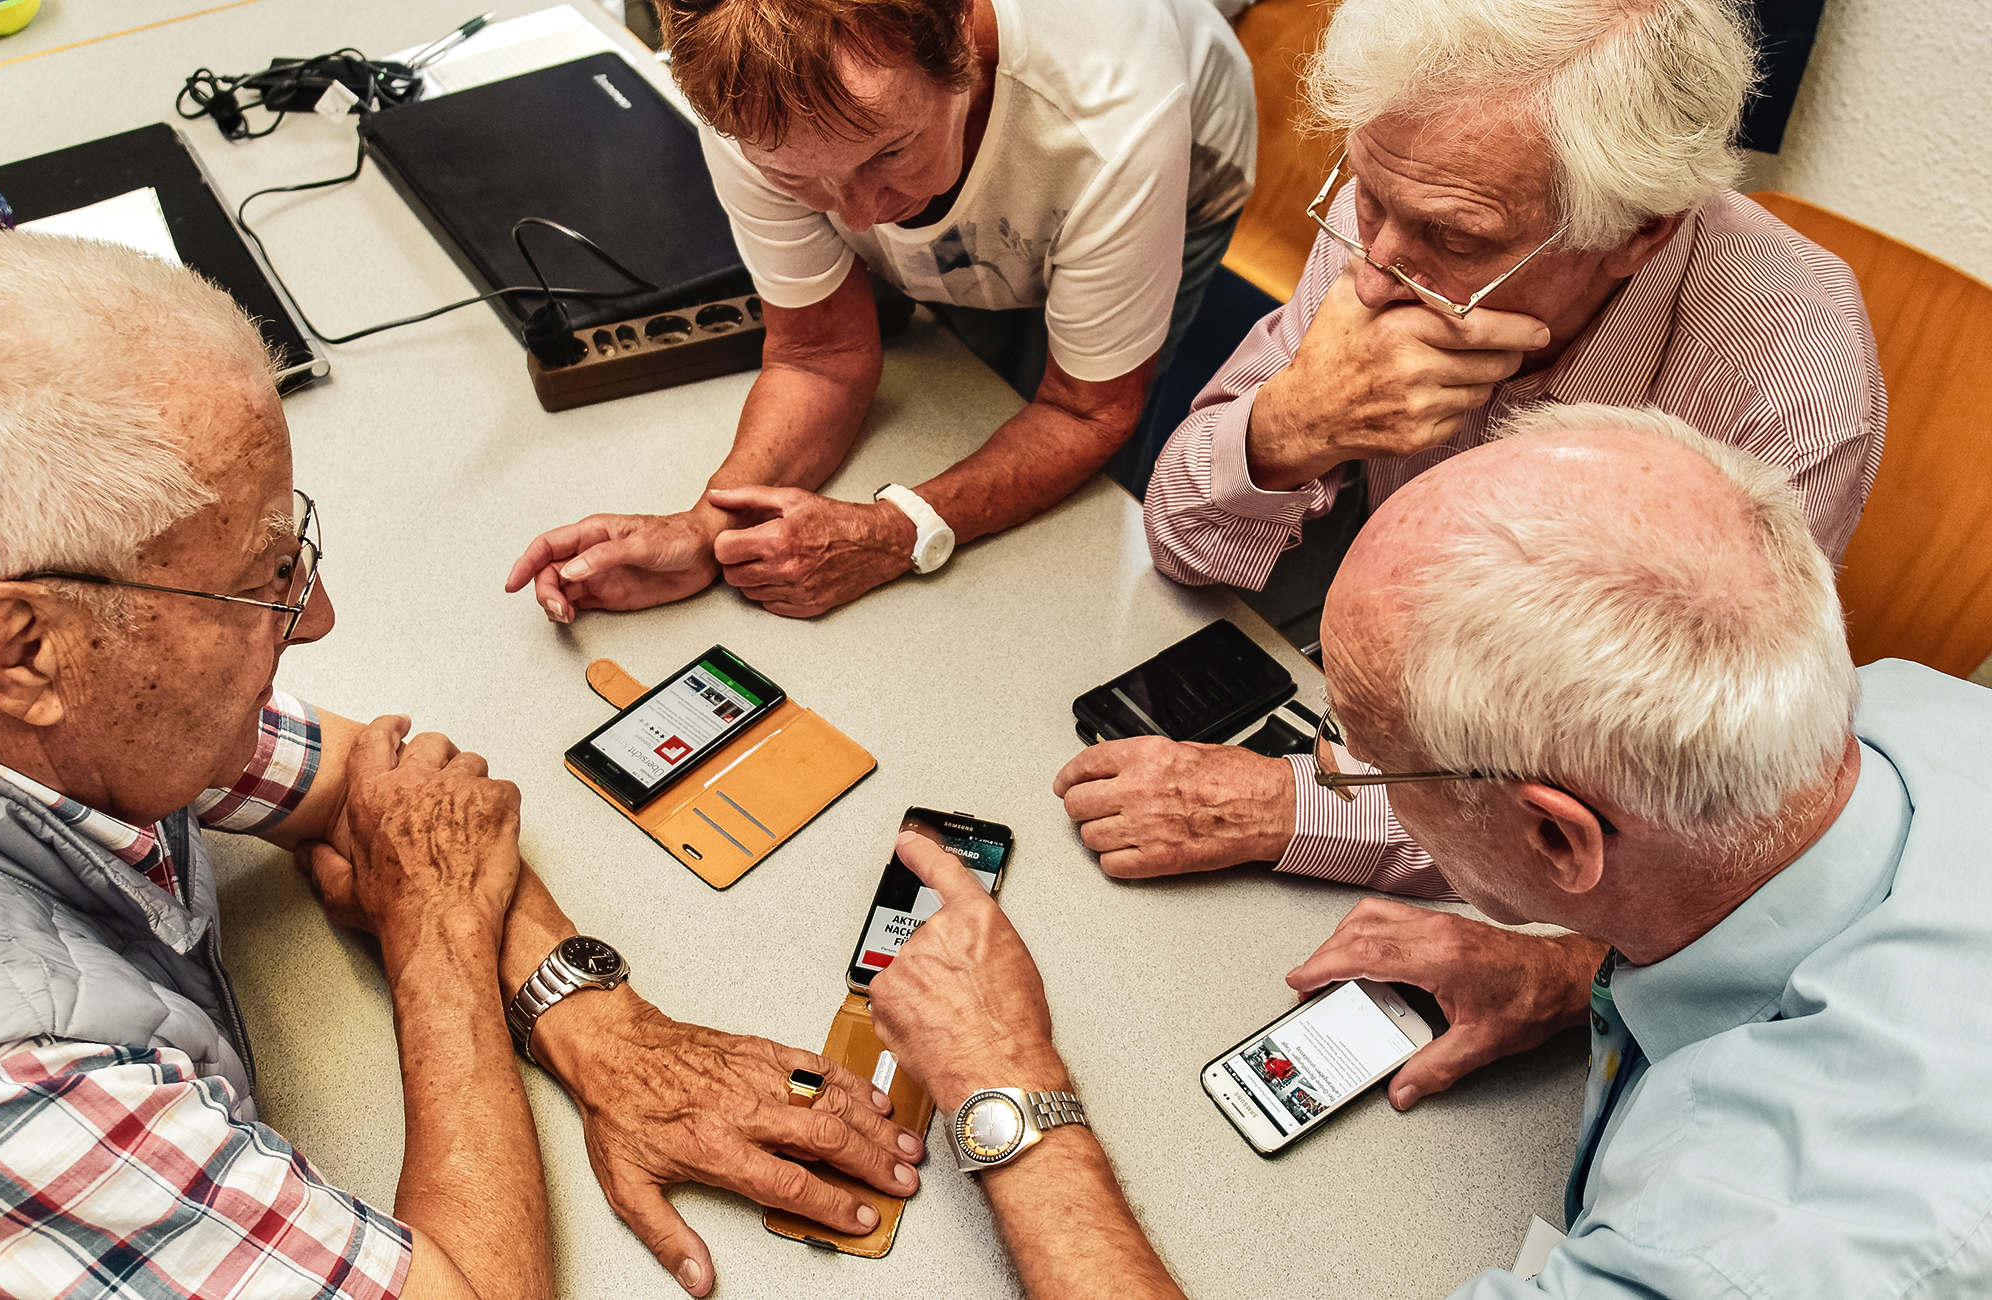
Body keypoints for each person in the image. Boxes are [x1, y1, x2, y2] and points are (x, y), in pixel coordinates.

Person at [0, 235, 922, 1300]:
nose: (315, 617)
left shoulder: (64, 702)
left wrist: (605, 1031)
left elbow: (391, 798)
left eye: (291, 550)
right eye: (259, 580)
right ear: (21, 649)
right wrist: (438, 940)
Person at [871, 403, 1992, 1297]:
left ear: (1557, 835)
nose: (1332, 766)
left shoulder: (1739, 1251)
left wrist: (1004, 1088)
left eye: (1362, 751)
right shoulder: (1908, 711)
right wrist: (1572, 968)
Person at [1064, 0, 1887, 900]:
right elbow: (1181, 538)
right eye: (1367, 199)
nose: (1375, 275)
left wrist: (1291, 808)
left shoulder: (1794, 380)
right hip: (1381, 693)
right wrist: (1290, 428)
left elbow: (1643, 814)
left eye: (1457, 241)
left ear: (1641, 228)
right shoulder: (1402, 211)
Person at [506, 0, 1255, 621]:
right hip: (1000, 148)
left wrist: (899, 530)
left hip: (1179, 159)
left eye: (888, 154)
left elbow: (1086, 412)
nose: (861, 221)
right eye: (795, 178)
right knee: (972, 373)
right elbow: (820, 355)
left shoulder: (1117, 114)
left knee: (1073, 496)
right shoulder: (739, 85)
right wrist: (710, 529)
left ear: (963, 32)